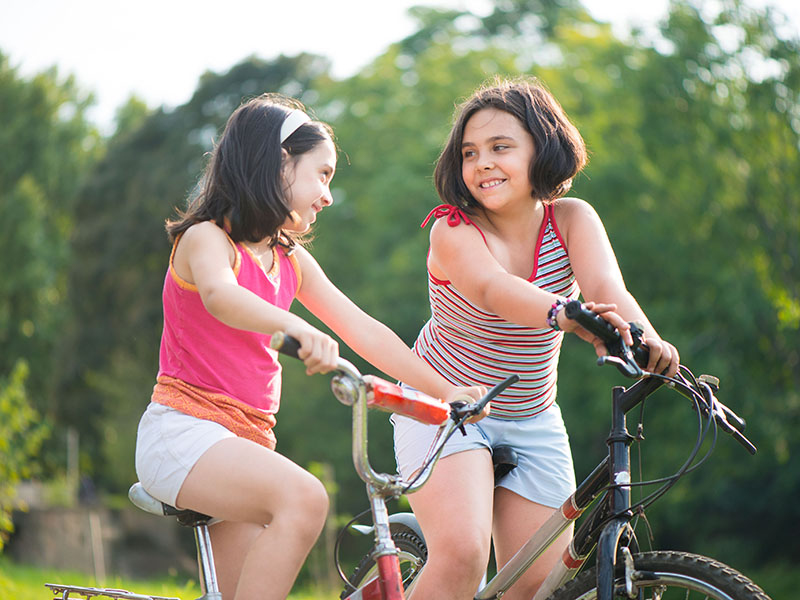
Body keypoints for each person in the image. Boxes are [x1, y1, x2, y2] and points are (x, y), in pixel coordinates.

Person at [134, 93, 484, 600]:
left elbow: (363, 330)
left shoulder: (290, 260)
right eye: (322, 174)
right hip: (183, 434)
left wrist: (444, 391)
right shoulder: (205, 239)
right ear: (278, 163)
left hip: (246, 443)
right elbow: (220, 295)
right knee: (306, 498)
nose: (328, 195)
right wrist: (298, 329)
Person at [391, 77, 680, 600]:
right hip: (444, 405)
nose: (482, 163)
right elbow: (492, 287)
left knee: (534, 587)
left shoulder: (571, 219)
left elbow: (608, 290)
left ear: (543, 150)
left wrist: (649, 340)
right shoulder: (452, 229)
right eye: (470, 153)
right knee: (461, 555)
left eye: (501, 148)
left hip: (532, 416)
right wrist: (564, 314)